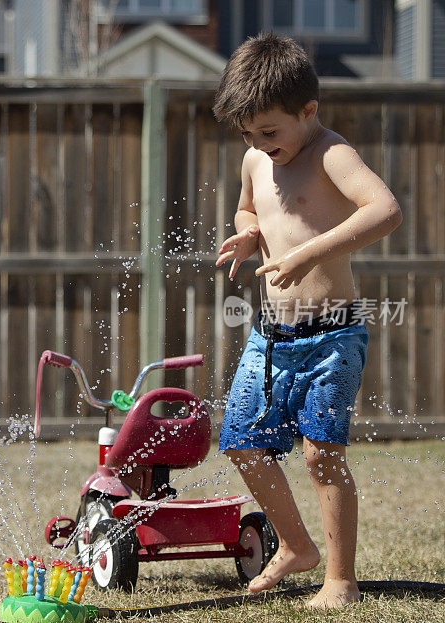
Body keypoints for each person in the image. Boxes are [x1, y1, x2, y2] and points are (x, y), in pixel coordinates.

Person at [212, 33, 402, 609]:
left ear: (308, 111)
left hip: (333, 334)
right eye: (249, 135)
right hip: (270, 338)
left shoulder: (331, 154)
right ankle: (296, 546)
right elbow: (250, 204)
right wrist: (248, 231)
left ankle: (340, 580)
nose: (261, 146)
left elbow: (385, 210)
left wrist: (311, 252)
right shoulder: (255, 159)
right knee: (243, 443)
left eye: (270, 132)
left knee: (322, 455)